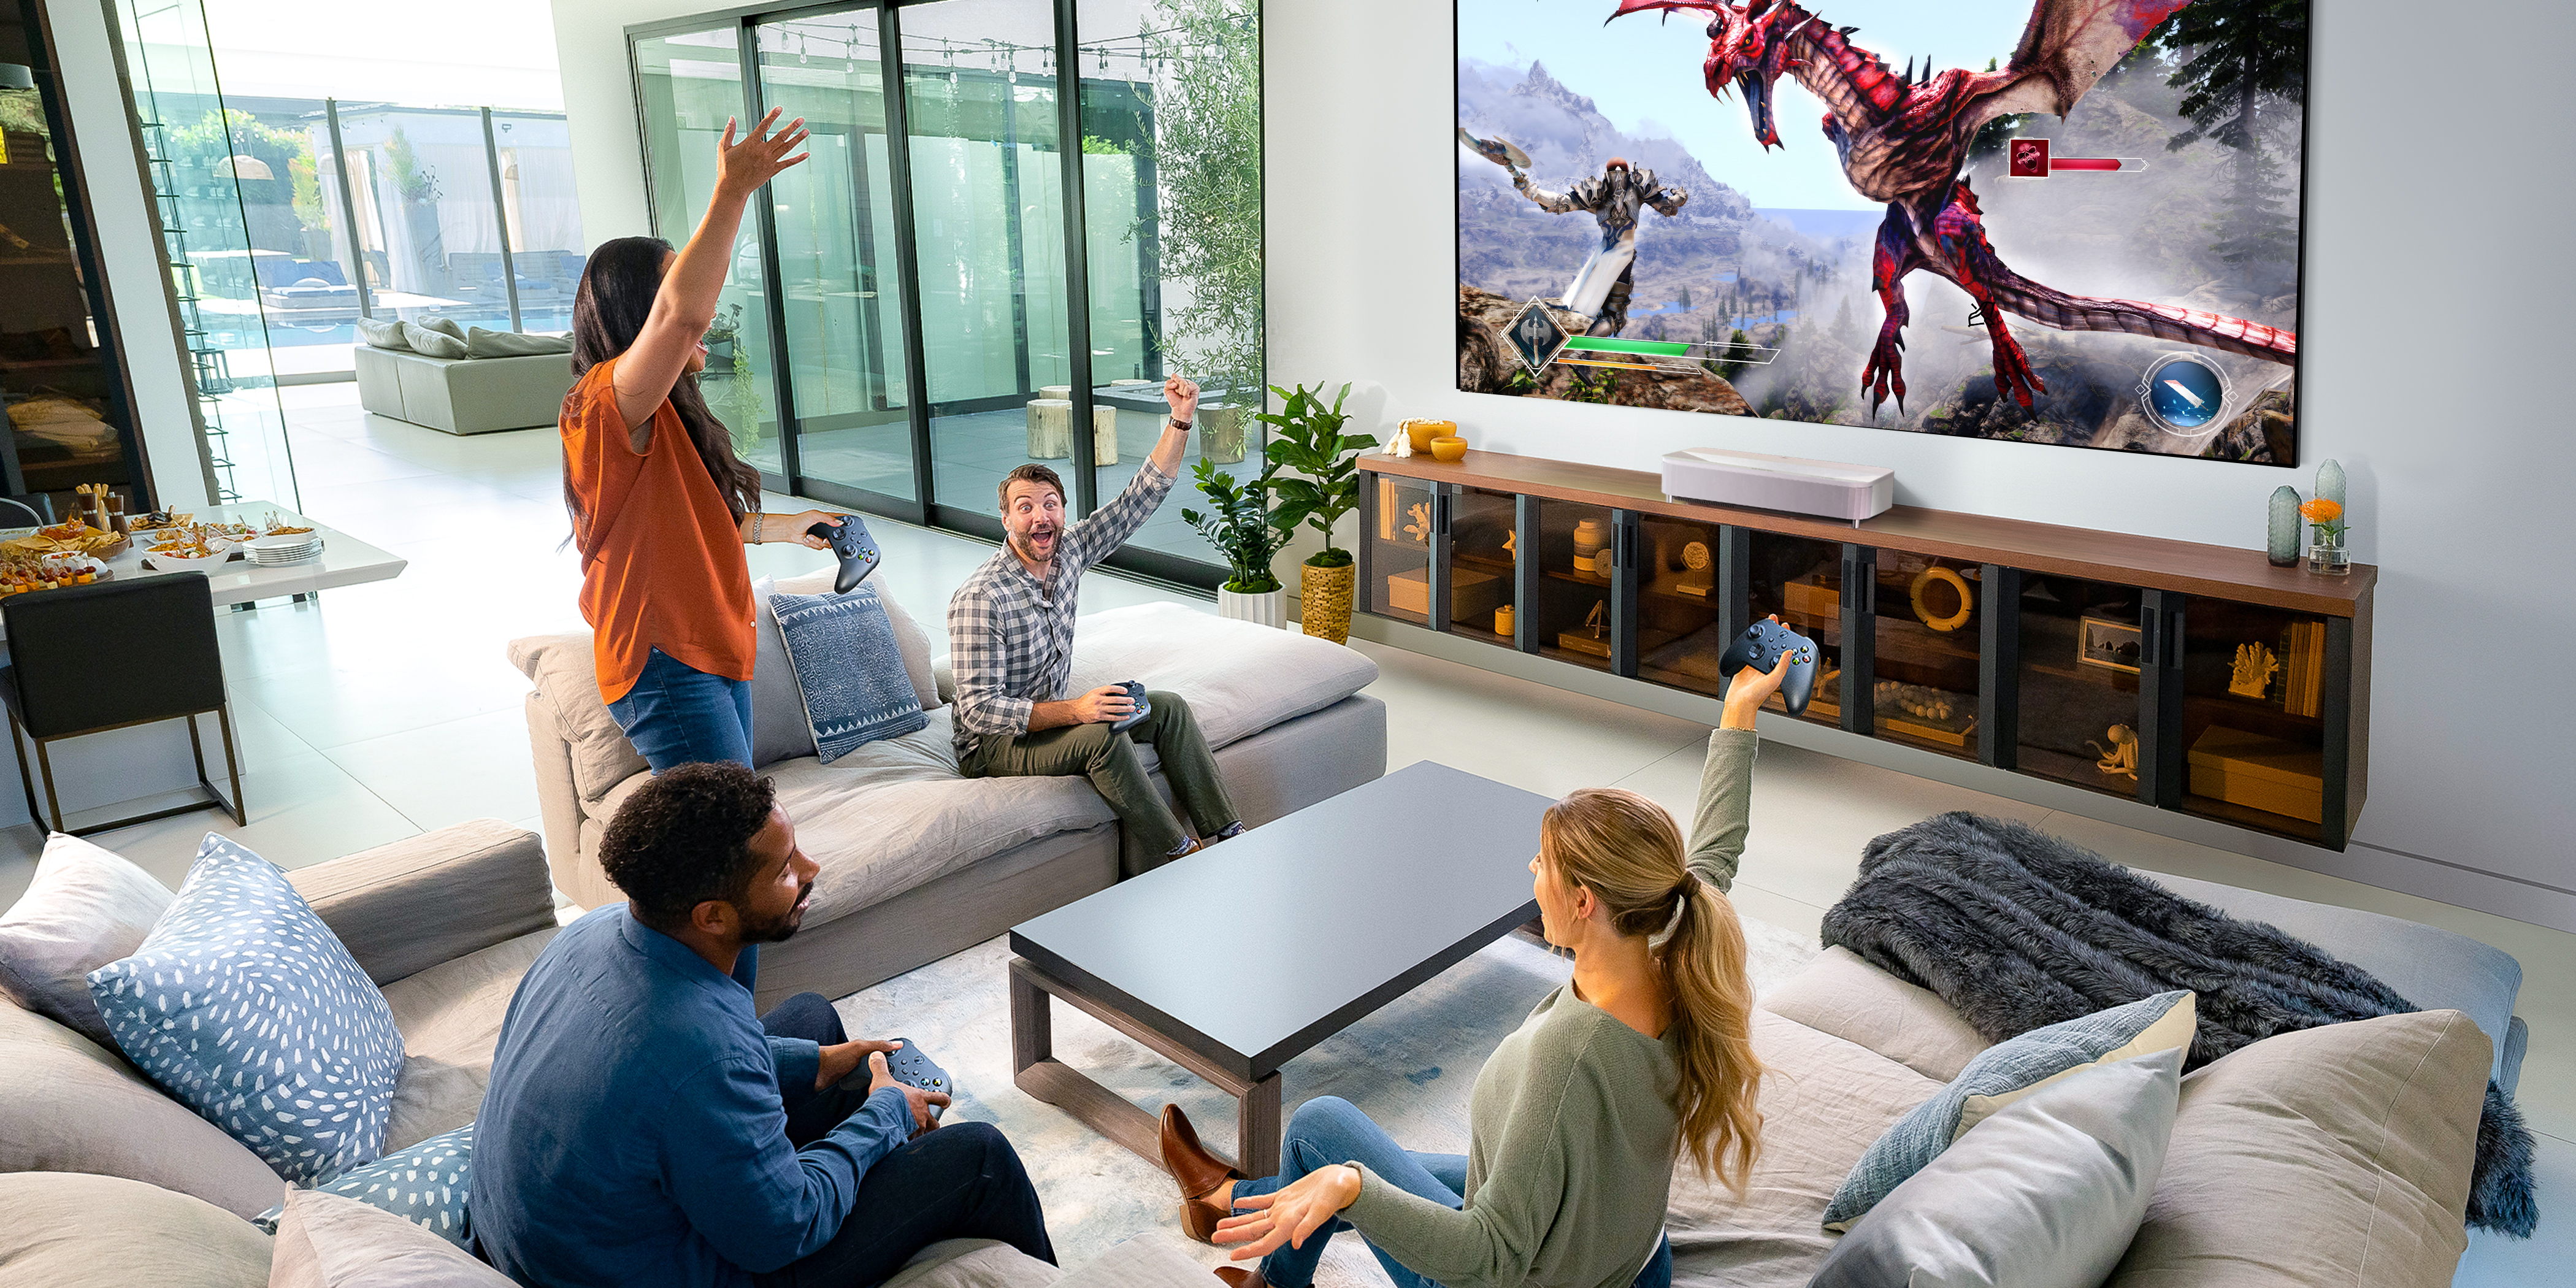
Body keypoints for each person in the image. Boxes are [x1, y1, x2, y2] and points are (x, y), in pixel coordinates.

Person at [1158, 647, 1794, 1288]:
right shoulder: (1675, 943)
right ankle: (1229, 1207)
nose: (1530, 872)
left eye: (1542, 862)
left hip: (1516, 1276)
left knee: (1322, 1133)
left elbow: (1490, 1256)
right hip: (1625, 1257)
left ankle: (1250, 1242)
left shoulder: (1569, 1055)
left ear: (1583, 902)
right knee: (1381, 1166)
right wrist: (1738, 711)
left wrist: (1352, 1190)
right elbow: (1716, 850)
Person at [470, 762, 1054, 1287]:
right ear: (713, 917)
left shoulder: (587, 933)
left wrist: (821, 1064)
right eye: (783, 870)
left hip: (553, 1231)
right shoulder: (700, 1050)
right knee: (980, 1157)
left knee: (811, 1018)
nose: (811, 868)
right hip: (636, 1271)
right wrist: (888, 1113)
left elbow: (673, 1077)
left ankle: (827, 1153)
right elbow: (783, 1232)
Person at [561, 107, 850, 772]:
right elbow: (684, 313)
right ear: (644, 311)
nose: (710, 307)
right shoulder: (602, 405)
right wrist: (732, 192)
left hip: (713, 647)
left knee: (734, 832)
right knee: (731, 842)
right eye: (683, 281)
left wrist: (787, 528)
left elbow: (697, 524)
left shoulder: (668, 411)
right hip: (664, 658)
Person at [946, 377, 1243, 866]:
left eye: (1050, 505)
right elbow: (979, 711)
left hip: (1046, 716)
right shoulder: (981, 598)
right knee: (1101, 735)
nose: (1040, 517)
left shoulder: (1070, 551)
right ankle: (1179, 853)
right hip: (992, 746)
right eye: (1025, 508)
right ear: (1005, 520)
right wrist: (1076, 711)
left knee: (1168, 708)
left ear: (1063, 512)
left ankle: (1229, 834)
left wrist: (1181, 419)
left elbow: (1138, 499)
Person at [1508, 156, 1688, 338]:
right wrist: (1680, 197)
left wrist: (1531, 190)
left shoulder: (1597, 193)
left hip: (1606, 252)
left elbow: (1560, 202)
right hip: (1623, 256)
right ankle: (1583, 352)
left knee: (1580, 303)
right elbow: (1669, 207)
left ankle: (1576, 346)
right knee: (1611, 315)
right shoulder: (1636, 190)